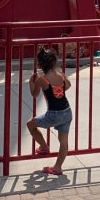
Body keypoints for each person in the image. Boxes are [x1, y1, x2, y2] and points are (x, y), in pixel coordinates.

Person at [27, 48, 73, 176]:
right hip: (67, 112)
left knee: (30, 124)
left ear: (40, 65)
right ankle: (58, 167)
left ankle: (43, 146)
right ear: (54, 63)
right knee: (63, 141)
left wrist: (31, 83)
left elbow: (34, 94)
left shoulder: (41, 80)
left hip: (53, 114)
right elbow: (68, 86)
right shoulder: (60, 75)